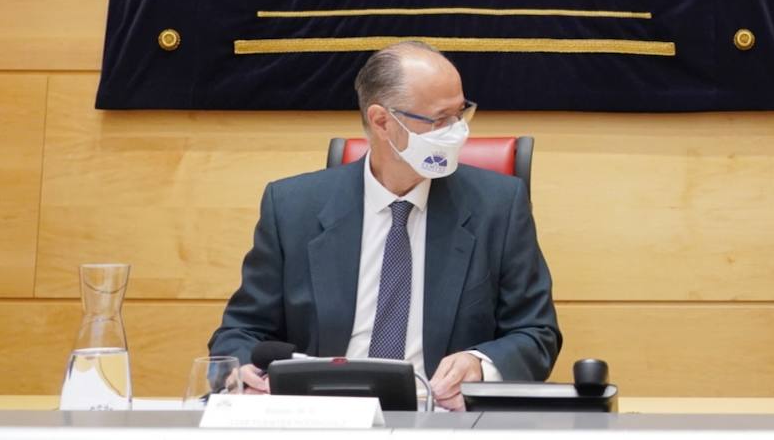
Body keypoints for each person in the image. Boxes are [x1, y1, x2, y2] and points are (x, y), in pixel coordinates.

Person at [209, 40, 561, 410]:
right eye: (440, 120)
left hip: (440, 418)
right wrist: (243, 369)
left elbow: (536, 334)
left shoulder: (498, 206)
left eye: (461, 114)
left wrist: (481, 365)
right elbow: (241, 331)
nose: (457, 132)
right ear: (382, 122)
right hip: (321, 417)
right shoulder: (292, 207)